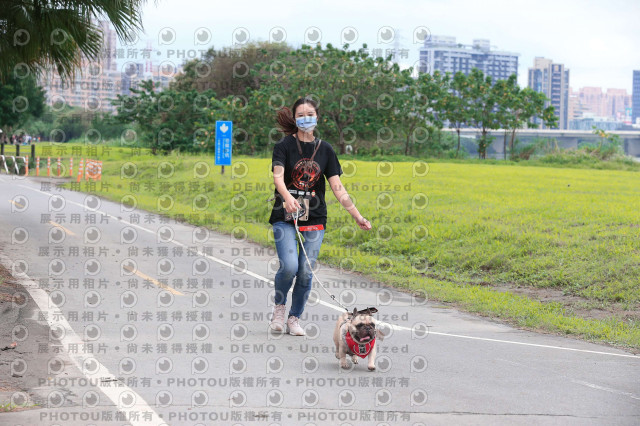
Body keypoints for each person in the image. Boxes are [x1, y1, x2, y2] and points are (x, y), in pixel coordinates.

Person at [268, 97, 372, 336]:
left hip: (315, 218)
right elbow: (277, 176)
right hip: (285, 215)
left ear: (317, 117)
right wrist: (287, 197)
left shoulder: (326, 150)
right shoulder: (283, 146)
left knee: (305, 271)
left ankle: (294, 318)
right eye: (301, 114)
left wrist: (357, 216)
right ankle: (280, 308)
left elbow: (338, 188)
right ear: (295, 119)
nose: (306, 118)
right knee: (289, 267)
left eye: (310, 114)